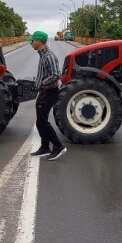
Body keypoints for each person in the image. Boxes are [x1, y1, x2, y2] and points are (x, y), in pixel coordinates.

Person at [28, 30, 67, 161]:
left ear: (38, 41)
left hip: (49, 91)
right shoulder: (43, 55)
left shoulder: (48, 56)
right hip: (45, 91)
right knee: (40, 122)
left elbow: (56, 74)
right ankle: (45, 147)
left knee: (42, 122)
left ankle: (58, 146)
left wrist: (43, 83)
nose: (31, 43)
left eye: (32, 41)